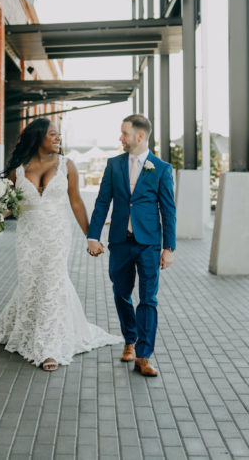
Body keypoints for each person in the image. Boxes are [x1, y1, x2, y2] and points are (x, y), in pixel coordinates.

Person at [0, 118, 122, 371]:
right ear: (39, 137)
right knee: (32, 283)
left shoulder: (67, 166)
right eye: (52, 134)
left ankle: (48, 348)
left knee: (52, 283)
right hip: (29, 236)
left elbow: (76, 202)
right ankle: (23, 328)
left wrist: (92, 236)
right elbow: (12, 206)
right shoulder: (18, 170)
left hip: (57, 233)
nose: (58, 138)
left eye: (58, 135)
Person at [86, 114, 176, 377]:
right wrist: (93, 236)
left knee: (148, 299)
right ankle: (130, 339)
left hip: (149, 243)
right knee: (121, 293)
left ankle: (144, 356)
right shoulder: (114, 165)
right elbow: (103, 202)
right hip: (120, 243)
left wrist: (168, 248)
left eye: (124, 133)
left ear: (139, 136)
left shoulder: (160, 168)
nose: (120, 138)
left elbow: (168, 210)